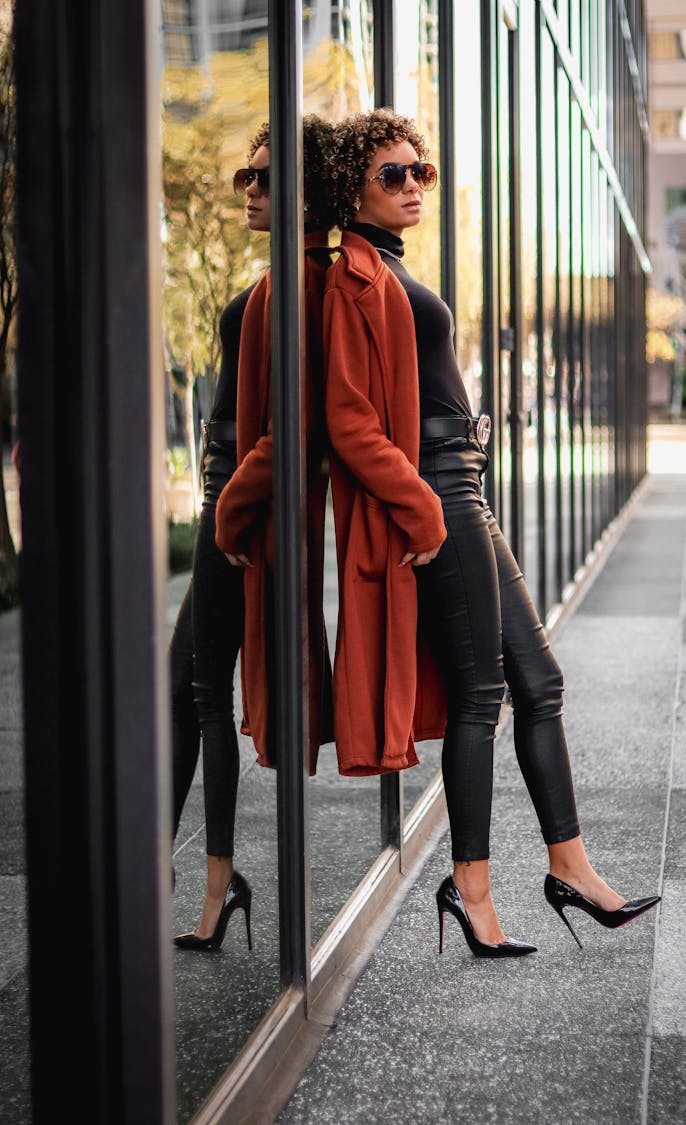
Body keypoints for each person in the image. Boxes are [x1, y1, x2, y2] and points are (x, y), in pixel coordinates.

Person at [322, 108, 659, 957]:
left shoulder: (391, 268)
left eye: (420, 172)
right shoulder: (349, 278)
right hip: (436, 491)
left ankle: (569, 867)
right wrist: (426, 508)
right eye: (392, 174)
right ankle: (473, 889)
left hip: (461, 483)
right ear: (352, 186)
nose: (412, 187)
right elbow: (347, 418)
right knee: (486, 693)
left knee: (537, 680)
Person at [171, 115, 335, 952]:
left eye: (264, 178)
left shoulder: (300, 284)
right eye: (248, 175)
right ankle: (198, 877)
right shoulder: (279, 281)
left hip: (235, 508)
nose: (249, 190)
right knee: (188, 689)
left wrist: (232, 511)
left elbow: (295, 428)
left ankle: (212, 883)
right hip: (226, 499)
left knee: (201, 694)